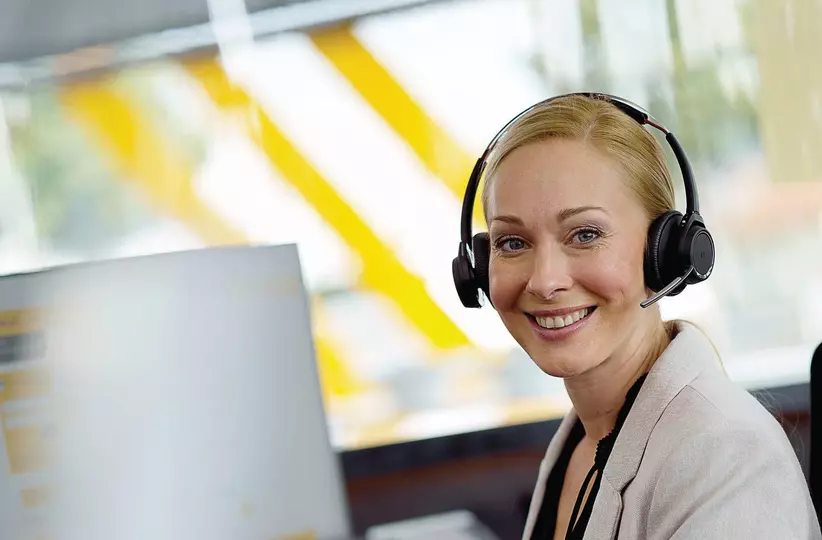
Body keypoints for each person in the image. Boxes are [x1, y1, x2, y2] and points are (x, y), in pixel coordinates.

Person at [469, 94, 820, 539]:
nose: (544, 281)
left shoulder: (727, 456)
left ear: (666, 253)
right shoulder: (582, 444)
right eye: (513, 242)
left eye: (585, 234)